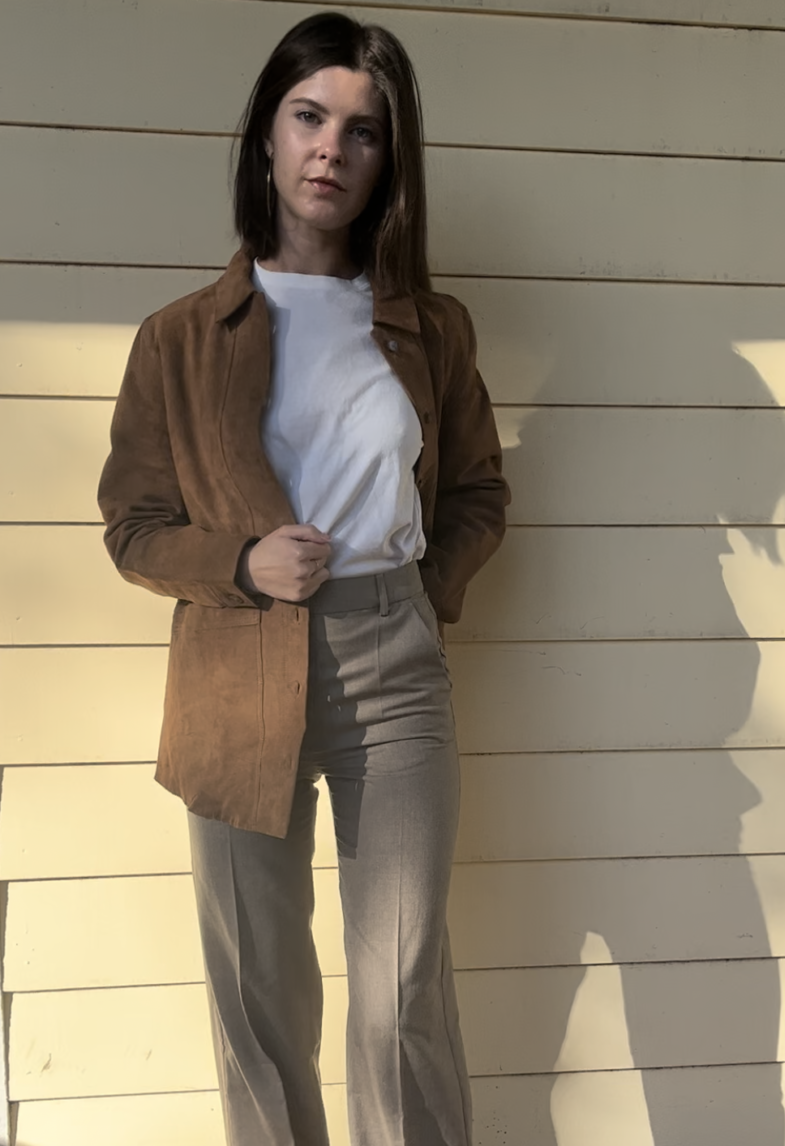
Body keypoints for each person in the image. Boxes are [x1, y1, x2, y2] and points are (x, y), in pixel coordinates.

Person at [98, 13, 509, 1146]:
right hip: (236, 672)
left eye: (363, 131)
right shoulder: (178, 339)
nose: (331, 148)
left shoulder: (433, 329)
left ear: (389, 163)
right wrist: (237, 559)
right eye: (309, 117)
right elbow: (132, 527)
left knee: (400, 997)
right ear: (268, 139)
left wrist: (425, 595)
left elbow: (479, 493)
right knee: (261, 1001)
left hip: (395, 667)